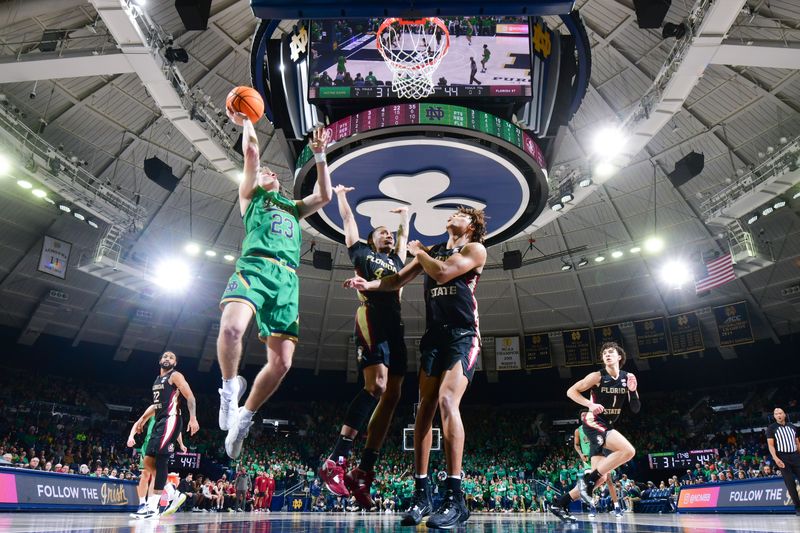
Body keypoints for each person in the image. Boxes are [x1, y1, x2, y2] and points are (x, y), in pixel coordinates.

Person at [345, 207, 487, 529]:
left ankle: (455, 496)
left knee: (448, 401)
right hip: (434, 338)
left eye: (461, 213)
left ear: (472, 225)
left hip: (463, 335)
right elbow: (397, 279)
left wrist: (418, 252)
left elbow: (441, 273)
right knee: (423, 409)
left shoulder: (474, 250)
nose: (453, 214)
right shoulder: (433, 251)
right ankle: (421, 494)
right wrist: (368, 285)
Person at [217, 113, 332, 460]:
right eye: (266, 172)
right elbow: (251, 153)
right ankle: (228, 390)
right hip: (255, 266)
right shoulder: (251, 197)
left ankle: (244, 419)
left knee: (282, 363)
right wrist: (246, 120)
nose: (270, 172)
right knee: (232, 329)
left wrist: (321, 155)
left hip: (286, 279)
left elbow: (324, 196)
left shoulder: (293, 208)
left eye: (273, 173)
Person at [318, 185, 409, 507]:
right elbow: (348, 222)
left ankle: (363, 471)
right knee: (377, 386)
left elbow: (403, 238)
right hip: (372, 317)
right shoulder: (361, 253)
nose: (387, 236)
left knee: (393, 395)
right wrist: (341, 196)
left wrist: (404, 217)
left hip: (396, 326)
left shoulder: (397, 260)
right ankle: (336, 459)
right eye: (382, 233)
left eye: (389, 234)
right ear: (372, 240)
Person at [550, 342, 640, 523]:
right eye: (605, 353)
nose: (607, 354)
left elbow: (636, 408)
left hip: (607, 425)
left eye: (611, 352)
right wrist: (590, 404)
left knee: (601, 477)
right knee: (629, 451)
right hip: (593, 422)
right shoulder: (597, 376)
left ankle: (560, 504)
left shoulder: (627, 377)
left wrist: (633, 391)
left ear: (619, 357)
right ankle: (587, 483)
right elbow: (571, 392)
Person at [129, 351, 199, 519]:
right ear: (160, 360)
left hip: (171, 419)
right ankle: (173, 495)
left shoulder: (175, 376)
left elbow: (190, 396)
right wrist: (143, 419)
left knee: (160, 460)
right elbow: (156, 405)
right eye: (165, 356)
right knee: (148, 461)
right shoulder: (156, 381)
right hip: (160, 421)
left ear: (174, 363)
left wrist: (193, 418)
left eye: (171, 357)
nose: (167, 358)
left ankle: (153, 508)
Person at [574, 421, 623, 518]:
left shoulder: (597, 426)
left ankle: (617, 507)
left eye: (586, 415)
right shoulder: (578, 430)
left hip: (600, 455)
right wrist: (580, 454)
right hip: (588, 460)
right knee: (590, 482)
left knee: (609, 480)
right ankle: (592, 507)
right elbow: (576, 444)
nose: (585, 417)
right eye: (583, 416)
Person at [766, 407, 800, 515]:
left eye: (780, 413)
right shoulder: (771, 428)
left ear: (784, 414)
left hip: (795, 456)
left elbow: (797, 443)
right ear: (774, 416)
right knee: (790, 483)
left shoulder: (793, 427)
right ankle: (798, 507)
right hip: (782, 457)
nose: (779, 415)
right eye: (776, 414)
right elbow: (770, 446)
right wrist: (775, 458)